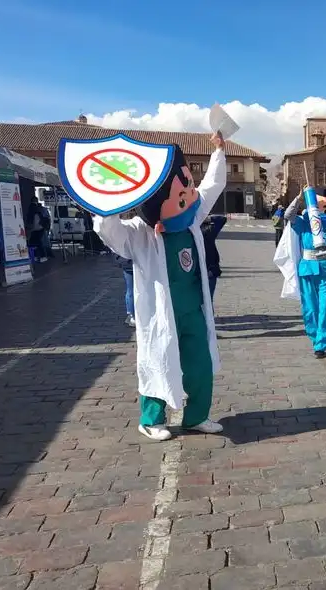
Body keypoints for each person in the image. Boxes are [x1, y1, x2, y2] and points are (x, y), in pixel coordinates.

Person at [89, 132, 228, 442]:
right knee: (158, 361)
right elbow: (108, 231)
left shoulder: (192, 219)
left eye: (187, 191)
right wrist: (107, 199)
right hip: (160, 316)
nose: (188, 197)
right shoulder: (139, 234)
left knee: (200, 364)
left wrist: (219, 152)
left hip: (193, 309)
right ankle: (151, 419)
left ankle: (197, 416)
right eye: (180, 196)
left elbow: (212, 185)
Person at [274, 187, 326, 359]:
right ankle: (315, 337)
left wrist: (324, 248)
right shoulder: (303, 223)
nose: (323, 210)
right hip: (307, 269)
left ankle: (322, 343)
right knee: (310, 307)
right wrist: (299, 198)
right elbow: (288, 216)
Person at [201, 214, 227, 302]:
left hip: (197, 272)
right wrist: (207, 218)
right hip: (210, 269)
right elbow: (222, 219)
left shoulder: (188, 232)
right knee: (208, 300)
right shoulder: (208, 230)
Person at [118, 254, 136, 327]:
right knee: (136, 291)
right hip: (136, 263)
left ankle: (131, 314)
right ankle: (134, 316)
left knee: (130, 290)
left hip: (126, 262)